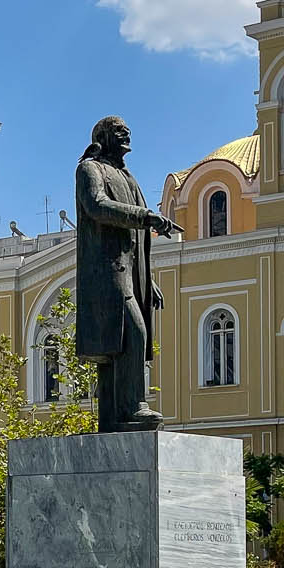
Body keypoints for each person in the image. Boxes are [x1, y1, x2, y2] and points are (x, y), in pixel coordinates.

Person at [74, 115, 180, 432]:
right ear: (104, 136)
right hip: (105, 273)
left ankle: (113, 418)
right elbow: (97, 205)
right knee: (133, 334)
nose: (126, 134)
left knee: (118, 347)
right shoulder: (89, 169)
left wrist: (149, 281)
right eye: (119, 131)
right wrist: (146, 217)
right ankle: (135, 406)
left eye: (127, 130)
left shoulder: (127, 177)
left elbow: (135, 245)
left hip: (129, 275)